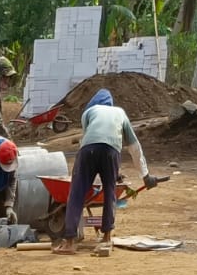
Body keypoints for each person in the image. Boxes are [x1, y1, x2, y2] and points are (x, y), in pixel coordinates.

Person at [53, 88, 157, 253]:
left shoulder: (89, 112)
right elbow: (134, 146)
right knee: (110, 191)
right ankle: (107, 237)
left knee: (76, 193)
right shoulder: (120, 112)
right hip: (111, 151)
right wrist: (145, 176)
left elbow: (89, 139)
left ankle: (70, 242)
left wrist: (88, 177)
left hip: (88, 150)